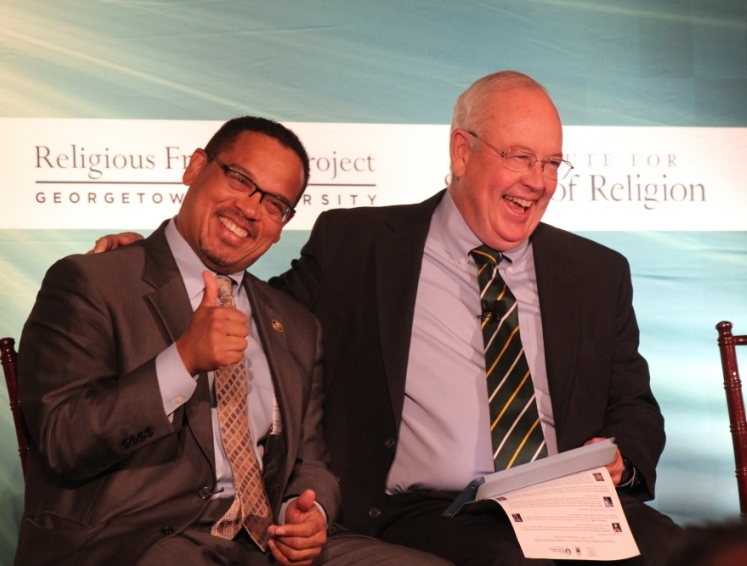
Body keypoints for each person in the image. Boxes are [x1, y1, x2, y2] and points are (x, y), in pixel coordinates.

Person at [92, 72, 680, 565]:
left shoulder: (597, 271)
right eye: (520, 157)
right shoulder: (360, 245)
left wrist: (624, 457)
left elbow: (634, 405)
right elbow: (253, 311)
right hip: (434, 512)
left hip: (569, 506)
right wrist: (155, 264)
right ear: (462, 151)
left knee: (681, 552)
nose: (538, 180)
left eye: (552, 162)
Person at [16, 116, 450, 566]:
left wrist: (309, 511)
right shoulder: (94, 281)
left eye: (276, 204)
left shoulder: (296, 325)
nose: (250, 208)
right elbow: (63, 441)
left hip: (265, 545)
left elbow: (311, 461)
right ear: (196, 167)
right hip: (136, 543)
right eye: (241, 179)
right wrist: (181, 361)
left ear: (283, 225)